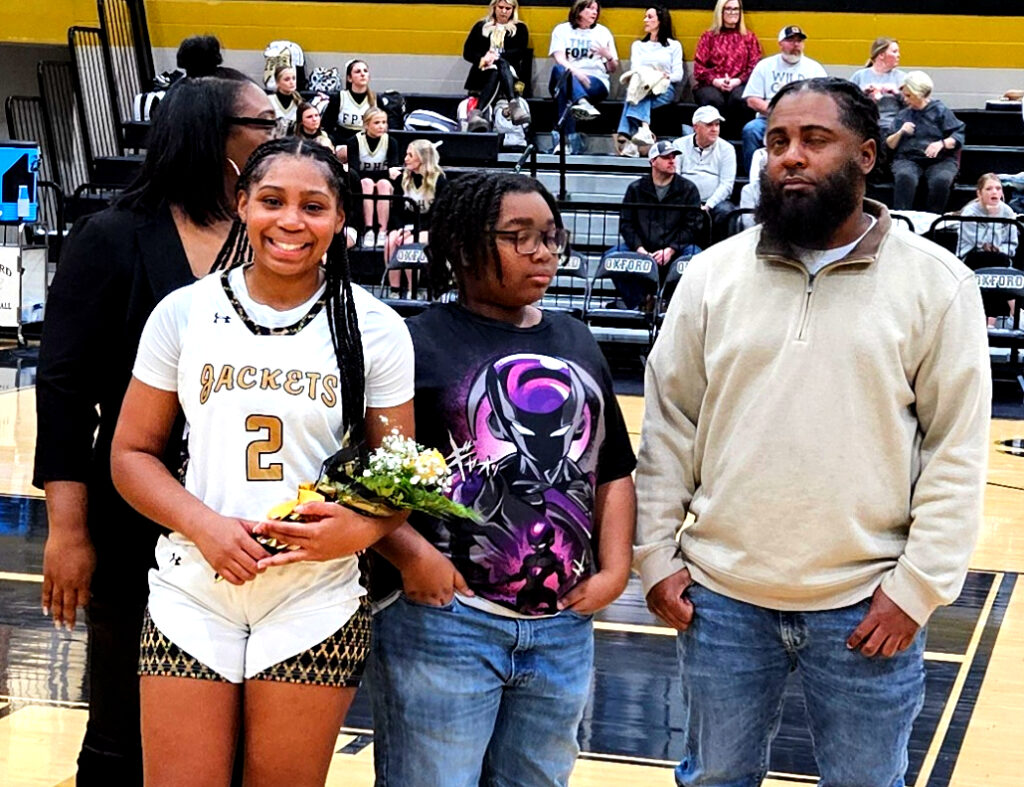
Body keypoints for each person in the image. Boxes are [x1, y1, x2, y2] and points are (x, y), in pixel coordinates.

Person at [635, 76, 990, 787]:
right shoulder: (711, 277)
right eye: (776, 142)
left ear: (865, 155)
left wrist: (916, 588)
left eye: (813, 140)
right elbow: (668, 428)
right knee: (713, 778)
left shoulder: (938, 284)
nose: (789, 157)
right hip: (721, 595)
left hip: (867, 601)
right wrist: (656, 558)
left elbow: (956, 451)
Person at [110, 138, 415, 785]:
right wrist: (204, 525)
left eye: (314, 205)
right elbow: (130, 453)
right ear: (243, 203)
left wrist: (357, 528)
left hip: (315, 594)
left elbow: (399, 475)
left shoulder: (376, 327)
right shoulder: (184, 312)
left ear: (340, 219)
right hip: (195, 584)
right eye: (273, 200)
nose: (291, 221)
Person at [33, 75, 277, 785]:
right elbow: (65, 391)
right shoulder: (111, 237)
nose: (279, 134)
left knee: (229, 740)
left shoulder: (275, 236)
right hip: (136, 514)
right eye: (263, 122)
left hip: (255, 520)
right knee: (121, 727)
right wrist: (68, 529)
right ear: (215, 134)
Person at [365, 170, 637, 787]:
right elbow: (375, 479)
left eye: (551, 236)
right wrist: (414, 560)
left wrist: (615, 570)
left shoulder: (574, 337)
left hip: (563, 626)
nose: (543, 252)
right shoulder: (414, 344)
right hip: (447, 620)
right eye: (519, 237)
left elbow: (612, 470)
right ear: (461, 248)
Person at [612, 140, 703, 309]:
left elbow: (693, 225)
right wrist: (640, 250)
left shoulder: (688, 189)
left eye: (674, 157)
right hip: (643, 248)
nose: (672, 161)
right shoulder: (636, 189)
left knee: (695, 258)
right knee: (611, 257)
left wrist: (671, 249)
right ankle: (640, 303)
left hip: (676, 249)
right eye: (666, 157)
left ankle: (672, 305)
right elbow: (626, 224)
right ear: (653, 161)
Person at [740, 24, 826, 173]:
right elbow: (752, 99)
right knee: (751, 130)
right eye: (790, 40)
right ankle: (752, 180)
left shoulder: (814, 69)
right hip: (769, 119)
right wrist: (776, 111)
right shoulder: (765, 66)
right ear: (780, 43)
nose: (796, 45)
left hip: (804, 121)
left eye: (799, 41)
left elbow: (824, 100)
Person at [887, 70, 965, 214]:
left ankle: (933, 218)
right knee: (905, 177)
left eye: (909, 96)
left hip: (940, 160)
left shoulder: (940, 111)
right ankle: (902, 218)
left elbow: (958, 135)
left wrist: (941, 143)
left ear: (920, 94)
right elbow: (890, 143)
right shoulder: (904, 114)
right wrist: (900, 132)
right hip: (908, 158)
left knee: (941, 180)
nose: (905, 100)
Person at [548, 0, 619, 155]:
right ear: (578, 10)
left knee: (564, 96)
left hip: (594, 82)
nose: (594, 12)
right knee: (560, 71)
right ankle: (581, 102)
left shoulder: (602, 32)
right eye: (590, 8)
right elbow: (559, 58)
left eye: (596, 9)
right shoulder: (562, 30)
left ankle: (563, 143)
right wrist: (577, 72)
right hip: (567, 77)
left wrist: (608, 56)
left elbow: (612, 68)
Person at [384, 140, 448, 296]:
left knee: (408, 244)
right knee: (390, 241)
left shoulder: (439, 181)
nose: (405, 159)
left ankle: (414, 290)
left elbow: (438, 215)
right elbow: (397, 211)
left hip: (430, 228)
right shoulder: (403, 179)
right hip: (407, 226)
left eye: (410, 155)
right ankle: (395, 290)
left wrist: (414, 232)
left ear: (422, 158)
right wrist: (399, 229)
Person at [615, 7, 684, 151]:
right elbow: (635, 70)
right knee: (640, 87)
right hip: (642, 85)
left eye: (650, 17)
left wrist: (664, 75)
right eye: (645, 16)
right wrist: (652, 73)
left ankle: (626, 134)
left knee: (635, 96)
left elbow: (678, 75)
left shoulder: (674, 46)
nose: (645, 20)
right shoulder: (638, 46)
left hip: (663, 89)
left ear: (660, 21)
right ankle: (644, 130)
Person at [957, 173, 1019, 326]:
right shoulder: (970, 212)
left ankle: (990, 322)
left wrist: (999, 248)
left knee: (997, 263)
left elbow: (1011, 244)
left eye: (998, 188)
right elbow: (978, 243)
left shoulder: (1008, 212)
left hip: (1000, 258)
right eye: (989, 189)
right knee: (993, 262)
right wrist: (993, 218)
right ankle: (1011, 309)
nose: (994, 192)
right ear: (979, 193)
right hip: (971, 258)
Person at [692, 0, 762, 132]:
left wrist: (738, 80)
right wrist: (716, 81)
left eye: (736, 9)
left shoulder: (749, 37)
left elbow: (755, 66)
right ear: (721, 12)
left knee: (740, 98)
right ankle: (713, 136)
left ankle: (736, 137)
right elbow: (699, 68)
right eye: (728, 9)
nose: (733, 13)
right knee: (712, 99)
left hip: (740, 83)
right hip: (711, 84)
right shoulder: (708, 37)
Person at [463, 0, 532, 131]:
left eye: (508, 8)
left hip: (508, 73)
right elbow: (467, 52)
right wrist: (484, 58)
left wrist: (496, 57)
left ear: (513, 10)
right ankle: (513, 106)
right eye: (501, 7)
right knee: (495, 69)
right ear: (494, 7)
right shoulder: (481, 26)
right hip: (484, 71)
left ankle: (477, 112)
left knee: (501, 64)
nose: (504, 11)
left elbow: (520, 52)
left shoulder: (520, 29)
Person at [674, 105, 737, 233]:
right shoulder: (678, 145)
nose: (714, 129)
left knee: (725, 211)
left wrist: (708, 205)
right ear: (696, 127)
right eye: (709, 125)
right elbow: (675, 178)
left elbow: (727, 185)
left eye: (717, 125)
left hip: (715, 203)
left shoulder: (727, 149)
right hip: (685, 200)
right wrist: (691, 203)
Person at [346, 107, 401, 248]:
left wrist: (384, 175)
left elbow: (393, 172)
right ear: (366, 125)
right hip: (361, 184)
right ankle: (368, 229)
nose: (381, 126)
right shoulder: (354, 141)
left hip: (383, 184)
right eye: (377, 122)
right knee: (367, 183)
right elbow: (355, 172)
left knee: (383, 184)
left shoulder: (392, 142)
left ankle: (382, 231)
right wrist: (385, 173)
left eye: (384, 122)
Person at [850, 37, 906, 132]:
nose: (898, 55)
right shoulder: (860, 76)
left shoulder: (902, 77)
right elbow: (847, 103)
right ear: (881, 55)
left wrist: (897, 93)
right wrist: (863, 94)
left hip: (893, 126)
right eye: (894, 52)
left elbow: (913, 105)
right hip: (865, 125)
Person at [336, 59, 378, 153]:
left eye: (365, 71)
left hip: (368, 144)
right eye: (358, 72)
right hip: (343, 144)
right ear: (349, 78)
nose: (362, 74)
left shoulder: (376, 99)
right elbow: (328, 125)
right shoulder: (340, 97)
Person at [268, 65, 299, 130]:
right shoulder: (269, 101)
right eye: (287, 79)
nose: (292, 82)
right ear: (277, 83)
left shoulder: (299, 102)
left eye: (293, 78)